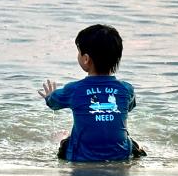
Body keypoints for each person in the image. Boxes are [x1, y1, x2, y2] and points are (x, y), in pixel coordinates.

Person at [38, 24, 146, 161]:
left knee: (65, 142)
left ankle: (61, 138)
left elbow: (53, 103)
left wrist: (49, 96)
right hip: (120, 155)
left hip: (81, 156)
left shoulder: (74, 89)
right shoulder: (126, 89)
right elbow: (128, 107)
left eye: (79, 52)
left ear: (86, 59)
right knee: (130, 140)